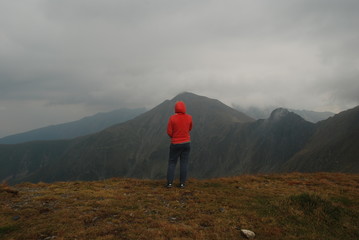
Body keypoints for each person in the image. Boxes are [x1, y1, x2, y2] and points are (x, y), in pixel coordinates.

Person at [166, 101, 193, 188]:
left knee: (172, 163)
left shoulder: (172, 118)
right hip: (186, 143)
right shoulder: (189, 117)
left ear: (176, 108)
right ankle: (182, 184)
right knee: (184, 163)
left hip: (175, 144)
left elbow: (169, 132)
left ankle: (170, 183)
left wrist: (174, 137)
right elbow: (190, 128)